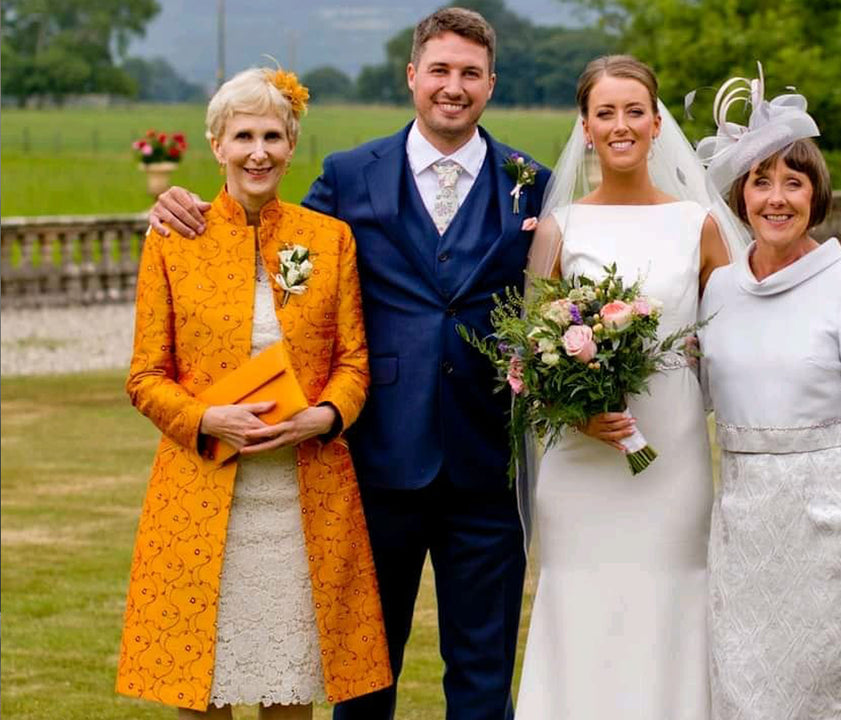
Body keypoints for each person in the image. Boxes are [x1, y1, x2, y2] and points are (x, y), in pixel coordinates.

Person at [146, 8, 550, 719]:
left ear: (490, 83)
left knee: (485, 679)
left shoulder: (532, 183)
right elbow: (271, 247)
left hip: (486, 462)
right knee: (361, 678)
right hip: (374, 463)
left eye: (469, 73)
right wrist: (181, 207)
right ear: (412, 77)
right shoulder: (348, 174)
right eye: (440, 70)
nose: (452, 86)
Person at [117, 67, 392, 719]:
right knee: (202, 692)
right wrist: (207, 416)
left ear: (292, 144)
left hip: (303, 503)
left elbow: (354, 363)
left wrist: (323, 417)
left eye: (273, 135)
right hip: (201, 497)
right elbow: (145, 376)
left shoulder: (328, 240)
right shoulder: (173, 243)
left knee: (288, 694)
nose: (259, 151)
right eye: (244, 135)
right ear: (217, 145)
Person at [514, 55, 739, 720]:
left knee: (672, 598)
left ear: (655, 120)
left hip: (670, 455)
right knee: (580, 603)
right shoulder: (560, 230)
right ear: (585, 127)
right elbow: (528, 361)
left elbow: (732, 344)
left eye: (633, 111)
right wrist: (578, 413)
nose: (620, 125)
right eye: (605, 113)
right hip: (582, 464)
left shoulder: (696, 226)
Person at [696, 68, 841, 720]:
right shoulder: (721, 289)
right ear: (741, 196)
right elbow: (691, 397)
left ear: (817, 195)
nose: (777, 198)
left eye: (794, 181)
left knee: (817, 699)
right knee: (739, 692)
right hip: (741, 531)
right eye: (762, 182)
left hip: (826, 533)